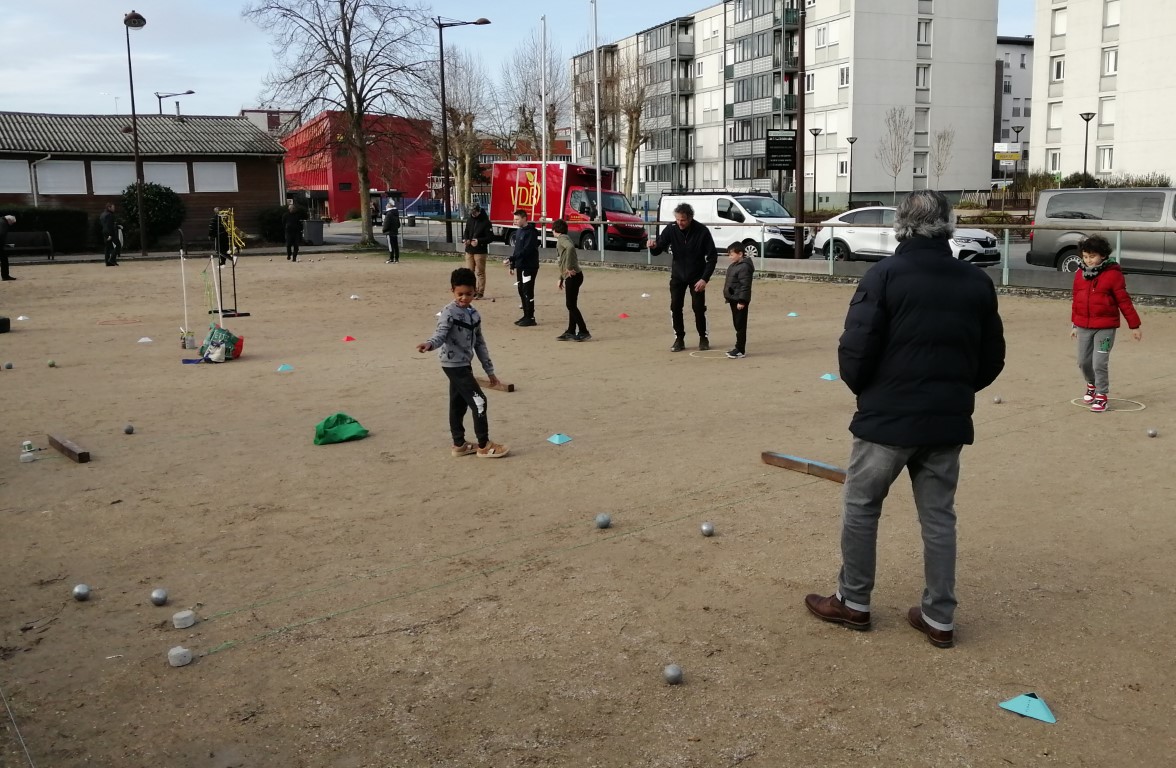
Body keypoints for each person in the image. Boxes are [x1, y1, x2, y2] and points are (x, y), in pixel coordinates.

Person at [804, 190, 1006, 649]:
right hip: (944, 420)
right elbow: (991, 358)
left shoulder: (884, 275)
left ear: (902, 225)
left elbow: (855, 349)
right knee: (938, 518)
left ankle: (853, 601)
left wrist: (871, 394)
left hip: (887, 419)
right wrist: (954, 393)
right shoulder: (975, 282)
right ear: (948, 225)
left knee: (861, 506)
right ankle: (939, 617)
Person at [416, 267, 510, 459]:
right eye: (460, 294)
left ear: (475, 291)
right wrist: (429, 344)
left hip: (464, 363)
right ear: (452, 291)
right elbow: (440, 334)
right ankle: (484, 445)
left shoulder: (474, 315)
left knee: (458, 403)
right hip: (452, 364)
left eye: (469, 294)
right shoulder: (448, 313)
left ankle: (459, 444)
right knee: (479, 401)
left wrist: (490, 371)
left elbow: (480, 344)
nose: (464, 298)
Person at [1070, 233, 1142, 412]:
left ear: (1103, 255)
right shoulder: (1079, 274)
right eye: (1085, 257)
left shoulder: (1113, 275)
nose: (1088, 260)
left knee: (1099, 362)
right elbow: (1076, 299)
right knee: (1083, 362)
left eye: (1092, 256)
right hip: (1084, 326)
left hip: (1105, 328)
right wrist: (1074, 324)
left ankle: (1102, 396)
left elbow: (1124, 301)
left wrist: (1134, 326)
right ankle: (1091, 385)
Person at [647, 202, 717, 352]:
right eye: (677, 219)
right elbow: (658, 248)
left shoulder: (702, 231)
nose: (679, 223)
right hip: (678, 276)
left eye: (683, 220)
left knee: (698, 308)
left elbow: (712, 257)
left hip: (697, 276)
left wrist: (704, 279)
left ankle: (703, 337)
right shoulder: (671, 229)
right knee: (675, 306)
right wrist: (653, 247)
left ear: (690, 218)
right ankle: (679, 338)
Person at [554, 219, 590, 341]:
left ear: (555, 230)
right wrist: (561, 277)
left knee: (570, 305)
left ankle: (584, 330)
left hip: (573, 276)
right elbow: (563, 260)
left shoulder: (562, 239)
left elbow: (569, 248)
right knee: (572, 304)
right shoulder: (566, 237)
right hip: (574, 275)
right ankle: (570, 330)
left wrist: (568, 268)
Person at [506, 209, 540, 326]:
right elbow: (517, 249)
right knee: (521, 289)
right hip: (520, 265)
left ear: (524, 218)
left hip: (529, 266)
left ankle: (531, 316)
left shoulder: (531, 232)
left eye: (517, 219)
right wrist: (512, 264)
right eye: (514, 219)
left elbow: (527, 250)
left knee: (527, 290)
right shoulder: (519, 232)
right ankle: (526, 315)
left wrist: (512, 258)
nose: (515, 221)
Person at [722, 241, 753, 358]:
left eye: (731, 254)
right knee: (737, 323)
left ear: (740, 254)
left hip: (739, 301)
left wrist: (742, 301)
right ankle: (738, 347)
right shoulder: (734, 266)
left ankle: (740, 349)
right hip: (733, 299)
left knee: (740, 325)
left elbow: (745, 286)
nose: (730, 257)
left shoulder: (744, 267)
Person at [462, 203, 492, 299]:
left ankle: (480, 292)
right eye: (471, 212)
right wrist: (465, 239)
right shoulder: (470, 219)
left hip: (480, 250)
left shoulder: (486, 222)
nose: (472, 214)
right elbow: (466, 231)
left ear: (479, 211)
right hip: (469, 249)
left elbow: (490, 237)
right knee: (469, 272)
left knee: (480, 272)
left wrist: (479, 241)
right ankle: (472, 290)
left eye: (474, 212)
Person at [1, 214, 16, 281]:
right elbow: (1, 234)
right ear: (9, 220)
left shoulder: (1, 221)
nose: (11, 225)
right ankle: (5, 276)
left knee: (4, 259)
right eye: (11, 223)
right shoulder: (3, 223)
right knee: (4, 259)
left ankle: (5, 276)